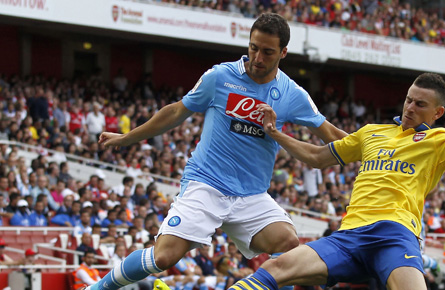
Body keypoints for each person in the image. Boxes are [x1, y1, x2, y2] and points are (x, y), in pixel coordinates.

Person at [90, 13, 346, 290]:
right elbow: (176, 111)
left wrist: (381, 147)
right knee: (164, 256)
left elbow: (333, 136)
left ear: (283, 52)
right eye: (253, 48)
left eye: (268, 52)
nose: (258, 58)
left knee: (288, 243)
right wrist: (127, 137)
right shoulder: (220, 76)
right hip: (207, 184)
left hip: (251, 195)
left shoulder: (291, 94)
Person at [228, 52, 445, 290]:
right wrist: (276, 133)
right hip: (350, 236)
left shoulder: (439, 141)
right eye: (409, 100)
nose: (410, 108)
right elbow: (318, 157)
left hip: (395, 235)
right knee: (271, 271)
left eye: (420, 104)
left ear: (437, 112)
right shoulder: (371, 133)